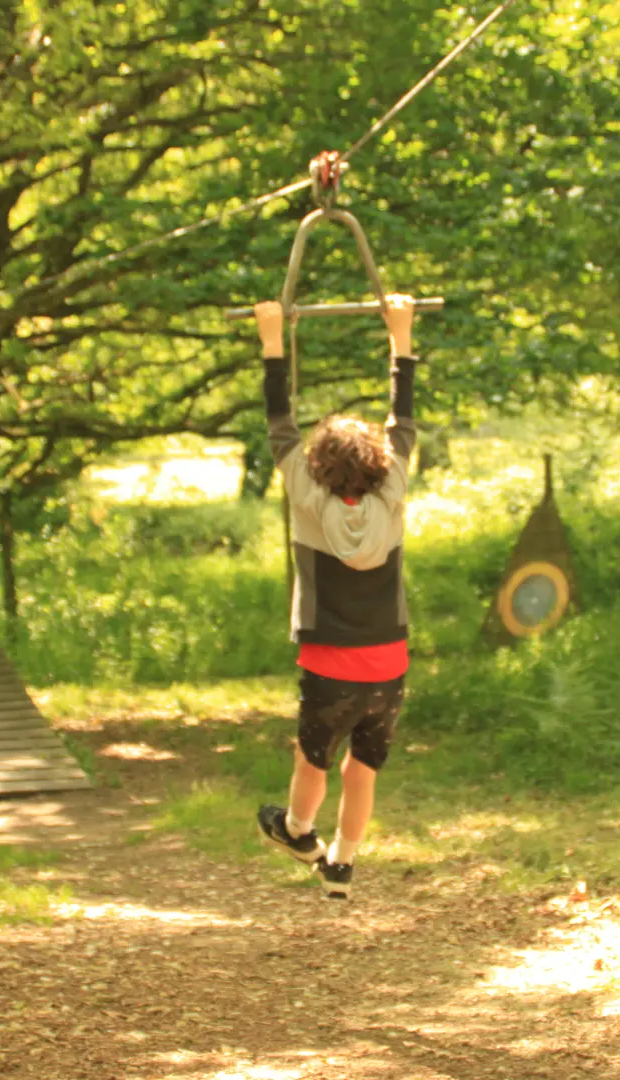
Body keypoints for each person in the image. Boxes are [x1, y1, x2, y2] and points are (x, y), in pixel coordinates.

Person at [252, 294, 419, 899]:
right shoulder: (393, 491)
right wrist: (401, 335)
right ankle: (342, 866)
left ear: (317, 467)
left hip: (328, 663)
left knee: (313, 758)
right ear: (379, 466)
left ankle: (298, 832)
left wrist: (273, 338)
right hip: (388, 661)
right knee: (364, 769)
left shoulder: (307, 498)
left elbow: (280, 425)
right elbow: (403, 425)